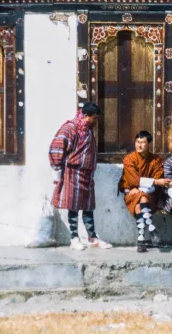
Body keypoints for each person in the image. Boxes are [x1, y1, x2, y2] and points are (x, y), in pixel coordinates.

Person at [49, 102, 112, 251]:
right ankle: (74, 238)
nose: (96, 122)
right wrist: (57, 174)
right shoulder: (69, 129)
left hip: (87, 174)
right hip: (73, 173)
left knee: (88, 207)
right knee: (73, 206)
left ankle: (92, 238)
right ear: (85, 116)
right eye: (94, 118)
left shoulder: (88, 130)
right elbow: (56, 149)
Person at [118, 131, 171, 253]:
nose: (139, 145)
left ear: (149, 144)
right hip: (130, 193)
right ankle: (151, 228)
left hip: (148, 193)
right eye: (137, 142)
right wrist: (154, 182)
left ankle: (141, 239)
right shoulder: (129, 159)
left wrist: (141, 187)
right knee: (142, 198)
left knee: (139, 205)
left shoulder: (156, 160)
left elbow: (157, 179)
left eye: (143, 142)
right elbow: (133, 180)